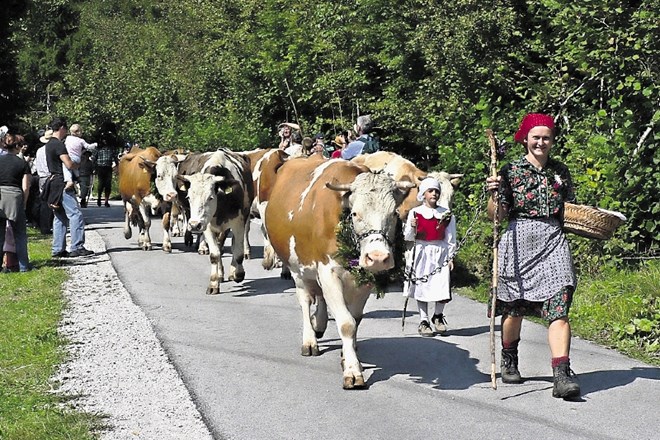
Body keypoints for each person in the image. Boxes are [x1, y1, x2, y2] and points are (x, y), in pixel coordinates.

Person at [486, 112, 580, 399]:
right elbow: (497, 216)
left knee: (559, 306)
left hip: (553, 239)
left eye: (546, 137)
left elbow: (571, 208)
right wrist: (493, 194)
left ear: (552, 141)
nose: (541, 142)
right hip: (519, 240)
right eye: (536, 137)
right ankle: (509, 356)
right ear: (525, 139)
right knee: (514, 309)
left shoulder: (560, 170)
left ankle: (561, 375)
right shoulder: (509, 171)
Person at [403, 177, 457, 336]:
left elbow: (451, 238)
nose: (434, 194)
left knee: (442, 286)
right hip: (421, 252)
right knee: (422, 286)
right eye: (430, 191)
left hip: (440, 253)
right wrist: (412, 227)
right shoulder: (416, 212)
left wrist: (450, 256)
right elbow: (408, 237)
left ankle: (438, 316)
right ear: (423, 194)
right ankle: (424, 320)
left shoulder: (445, 214)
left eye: (437, 191)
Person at [43, 117, 93, 258]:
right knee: (75, 214)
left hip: (54, 181)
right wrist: (78, 164)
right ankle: (77, 246)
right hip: (63, 182)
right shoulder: (59, 145)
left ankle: (58, 249)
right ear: (62, 128)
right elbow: (69, 164)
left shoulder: (49, 144)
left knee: (60, 216)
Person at [0, 133, 32, 272]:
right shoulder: (22, 163)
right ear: (17, 146)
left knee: (0, 234)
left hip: (0, 196)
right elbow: (26, 186)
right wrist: (24, 203)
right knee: (19, 234)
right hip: (15, 196)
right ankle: (24, 265)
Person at [63, 124, 97, 192]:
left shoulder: (68, 138)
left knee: (65, 166)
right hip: (77, 158)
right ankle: (78, 177)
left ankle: (68, 180)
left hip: (70, 157)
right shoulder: (81, 140)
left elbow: (65, 145)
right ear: (78, 132)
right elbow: (88, 146)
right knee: (75, 168)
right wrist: (95, 144)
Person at [94, 123, 120, 207]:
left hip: (108, 167)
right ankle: (99, 198)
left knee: (108, 184)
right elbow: (94, 158)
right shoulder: (99, 149)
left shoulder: (111, 149)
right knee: (101, 184)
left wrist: (117, 166)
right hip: (100, 167)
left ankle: (106, 201)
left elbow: (115, 158)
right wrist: (93, 167)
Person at [35, 129, 54, 234]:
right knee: (52, 202)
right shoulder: (50, 150)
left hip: (41, 177)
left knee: (43, 202)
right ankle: (48, 225)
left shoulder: (39, 150)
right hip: (49, 176)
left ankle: (43, 226)